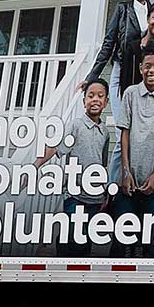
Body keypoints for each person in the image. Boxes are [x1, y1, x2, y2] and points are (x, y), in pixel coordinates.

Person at [37, 78, 113, 254]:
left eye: (100, 96)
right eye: (91, 96)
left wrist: (104, 192)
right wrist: (37, 164)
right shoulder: (76, 125)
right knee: (70, 235)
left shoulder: (106, 132)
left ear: (106, 102)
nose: (95, 99)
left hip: (94, 197)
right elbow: (56, 147)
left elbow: (103, 164)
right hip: (74, 195)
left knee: (85, 238)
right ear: (84, 101)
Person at [118, 52, 154, 256]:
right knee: (122, 239)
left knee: (149, 242)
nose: (151, 70)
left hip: (153, 182)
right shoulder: (130, 94)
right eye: (147, 66)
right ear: (140, 68)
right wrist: (126, 172)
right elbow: (124, 133)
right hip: (129, 179)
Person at [86, 0, 154, 125]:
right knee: (121, 126)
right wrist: (92, 76)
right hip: (121, 70)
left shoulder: (153, 12)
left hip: (143, 74)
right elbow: (108, 43)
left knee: (139, 126)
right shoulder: (122, 9)